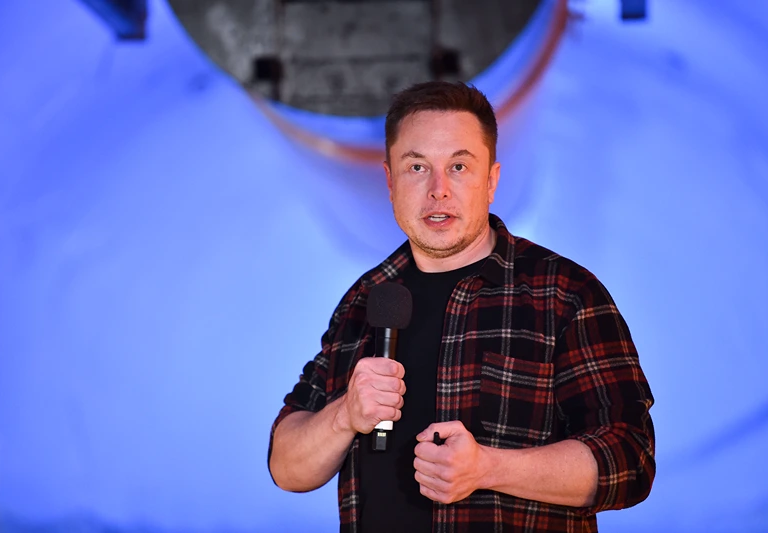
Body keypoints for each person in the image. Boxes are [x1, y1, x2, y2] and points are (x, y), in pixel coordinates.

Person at [268, 81, 655, 532]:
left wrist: (489, 469)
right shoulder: (365, 300)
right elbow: (286, 466)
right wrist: (344, 416)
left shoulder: (563, 293)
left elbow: (631, 460)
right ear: (390, 181)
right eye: (417, 167)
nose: (438, 190)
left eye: (458, 166)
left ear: (490, 181)